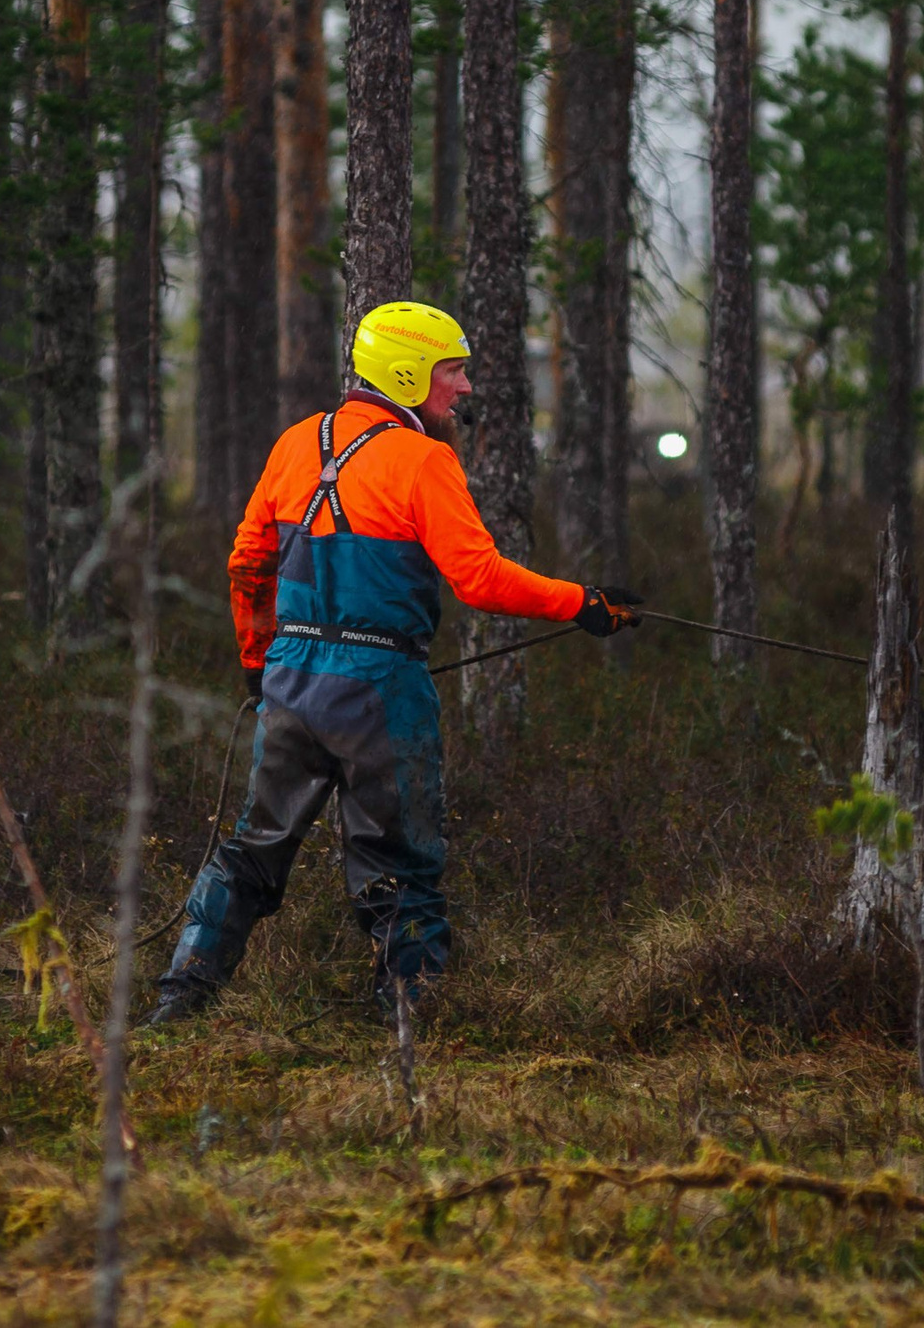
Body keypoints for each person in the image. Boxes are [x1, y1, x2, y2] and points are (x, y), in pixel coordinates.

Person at [146, 300, 639, 1025]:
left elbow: (247, 562)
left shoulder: (294, 444)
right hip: (381, 693)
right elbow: (480, 579)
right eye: (454, 372)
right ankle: (411, 1021)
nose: (465, 388)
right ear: (408, 375)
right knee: (401, 864)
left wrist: (260, 663)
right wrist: (582, 602)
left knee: (252, 853)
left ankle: (178, 1003)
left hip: (289, 683)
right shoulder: (425, 459)